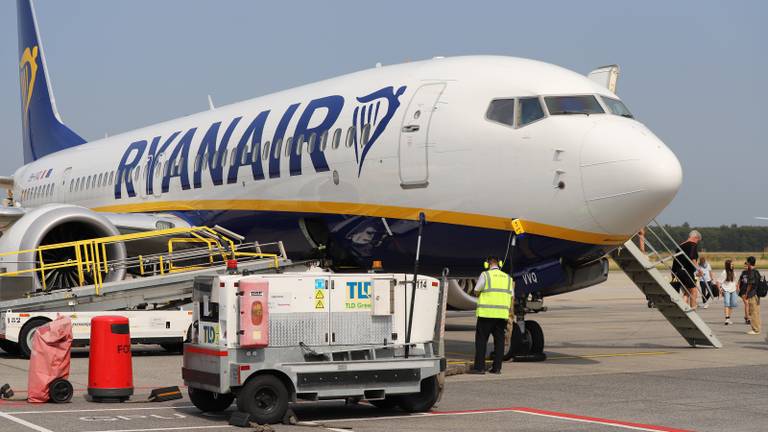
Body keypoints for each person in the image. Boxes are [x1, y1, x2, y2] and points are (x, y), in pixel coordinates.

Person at [468, 256, 513, 375]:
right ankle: (497, 368)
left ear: (487, 264)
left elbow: (477, 290)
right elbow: (511, 295)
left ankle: (479, 368)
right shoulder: (508, 278)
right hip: (501, 315)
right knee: (499, 342)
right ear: (500, 264)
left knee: (481, 341)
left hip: (486, 314)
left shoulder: (485, 275)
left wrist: (480, 294)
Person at [671, 230, 701, 309]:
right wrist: (698, 269)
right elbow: (692, 258)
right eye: (698, 240)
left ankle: (684, 308)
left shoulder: (680, 245)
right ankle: (693, 309)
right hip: (686, 272)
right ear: (695, 238)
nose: (697, 243)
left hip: (677, 271)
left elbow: (675, 260)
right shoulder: (692, 245)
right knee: (694, 291)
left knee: (687, 292)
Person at [737, 256, 761, 335]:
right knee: (756, 312)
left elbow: (750, 284)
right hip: (757, 294)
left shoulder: (751, 272)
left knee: (753, 312)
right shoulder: (757, 271)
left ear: (749, 263)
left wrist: (747, 293)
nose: (746, 263)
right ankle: (757, 328)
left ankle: (755, 329)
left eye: (747, 262)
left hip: (752, 294)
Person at [719, 260, 738, 325]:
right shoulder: (724, 272)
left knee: (732, 304)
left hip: (733, 290)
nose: (732, 265)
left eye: (733, 264)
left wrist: (737, 288)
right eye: (731, 264)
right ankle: (727, 318)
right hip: (726, 290)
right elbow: (718, 282)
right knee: (727, 303)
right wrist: (720, 289)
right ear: (728, 265)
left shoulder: (734, 272)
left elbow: (735, 281)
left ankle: (729, 318)